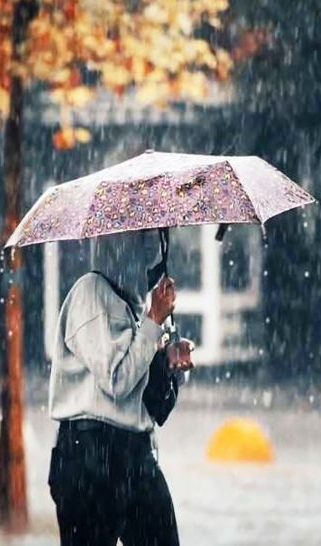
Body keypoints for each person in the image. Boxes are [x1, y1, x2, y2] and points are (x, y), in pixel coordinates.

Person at [47, 230, 193, 546]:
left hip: (136, 453)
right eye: (139, 237)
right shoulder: (89, 294)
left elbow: (144, 390)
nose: (148, 248)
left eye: (152, 238)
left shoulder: (135, 302)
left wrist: (169, 361)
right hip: (90, 453)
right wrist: (153, 320)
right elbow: (117, 380)